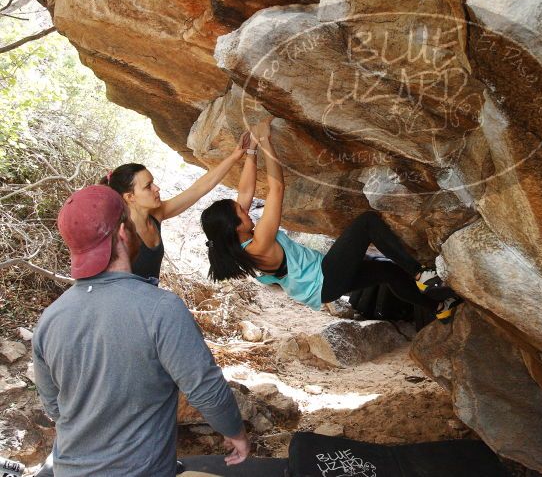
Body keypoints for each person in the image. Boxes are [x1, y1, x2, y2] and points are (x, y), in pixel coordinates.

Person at [32, 185, 250, 476]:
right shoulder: (160, 308)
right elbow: (206, 389)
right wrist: (235, 433)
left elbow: (55, 408)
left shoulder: (49, 320)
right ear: (123, 233)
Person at [200, 116, 461, 321]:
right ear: (235, 228)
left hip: (322, 282)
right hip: (324, 280)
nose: (247, 209)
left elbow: (245, 191)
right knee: (366, 222)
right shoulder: (259, 246)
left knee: (388, 271)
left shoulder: (238, 241)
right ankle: (420, 273)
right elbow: (276, 189)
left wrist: (251, 150)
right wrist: (267, 141)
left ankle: (439, 306)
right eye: (241, 214)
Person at [100, 132, 251, 282]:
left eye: (153, 182)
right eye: (148, 186)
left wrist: (235, 155)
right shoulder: (120, 234)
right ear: (129, 197)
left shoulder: (156, 215)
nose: (156, 188)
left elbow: (198, 189)